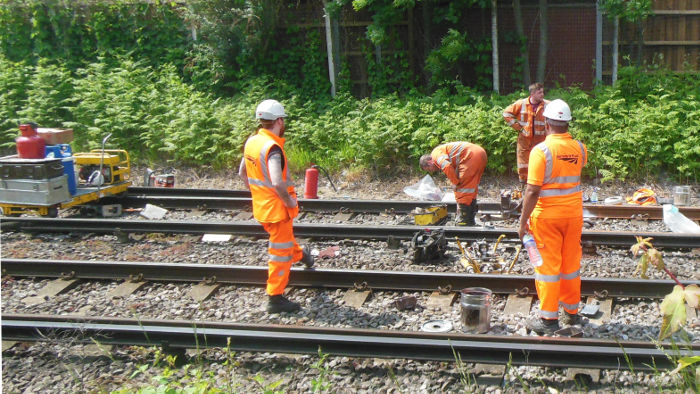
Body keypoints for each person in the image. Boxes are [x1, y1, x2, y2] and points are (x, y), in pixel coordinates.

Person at [517, 99, 587, 335]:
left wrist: (521, 221)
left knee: (548, 268)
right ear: (567, 123)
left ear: (547, 122)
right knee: (570, 265)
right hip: (573, 215)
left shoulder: (541, 151)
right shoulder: (579, 148)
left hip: (547, 217)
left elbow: (533, 190)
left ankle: (548, 320)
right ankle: (572, 313)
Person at [238, 99, 314, 314]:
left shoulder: (252, 141)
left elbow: (242, 173)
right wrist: (289, 201)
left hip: (262, 207)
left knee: (284, 242)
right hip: (277, 210)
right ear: (279, 121)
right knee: (279, 254)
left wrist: (258, 194)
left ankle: (303, 255)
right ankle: (275, 297)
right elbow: (277, 182)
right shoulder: (272, 149)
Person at [419, 142, 487, 226]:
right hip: (479, 153)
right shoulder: (444, 153)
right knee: (470, 189)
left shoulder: (435, 154)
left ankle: (464, 221)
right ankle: (470, 220)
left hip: (470, 156)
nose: (432, 171)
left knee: (462, 188)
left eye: (429, 169)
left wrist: (455, 182)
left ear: (429, 162)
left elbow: (447, 166)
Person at [503, 82, 549, 184]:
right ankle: (524, 184)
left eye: (542, 92)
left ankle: (540, 183)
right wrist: (518, 127)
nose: (542, 94)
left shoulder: (547, 105)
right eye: (539, 92)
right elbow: (506, 114)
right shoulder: (521, 103)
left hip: (541, 140)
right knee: (523, 162)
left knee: (540, 162)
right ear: (532, 94)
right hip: (524, 138)